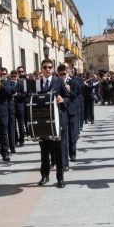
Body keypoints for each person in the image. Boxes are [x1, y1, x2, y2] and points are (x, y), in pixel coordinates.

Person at [36, 58, 70, 188]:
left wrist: (63, 100)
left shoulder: (59, 82)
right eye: (44, 67)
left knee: (59, 151)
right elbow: (29, 100)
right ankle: (44, 176)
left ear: (53, 68)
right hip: (42, 122)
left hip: (57, 121)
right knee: (44, 151)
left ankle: (60, 178)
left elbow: (68, 98)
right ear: (41, 69)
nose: (47, 69)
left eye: (49, 67)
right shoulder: (37, 83)